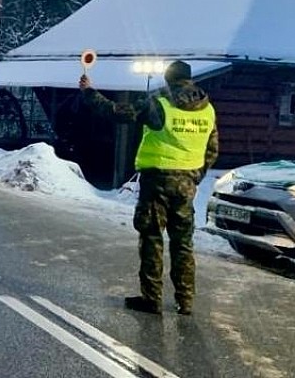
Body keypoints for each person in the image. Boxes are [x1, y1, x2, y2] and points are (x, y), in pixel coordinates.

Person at [79, 60, 218, 315]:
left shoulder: (160, 103)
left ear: (168, 78)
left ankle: (151, 298)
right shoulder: (207, 109)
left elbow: (119, 112)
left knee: (152, 237)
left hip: (158, 181)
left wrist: (90, 93)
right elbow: (212, 149)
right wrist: (196, 175)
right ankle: (185, 300)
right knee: (183, 242)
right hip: (187, 183)